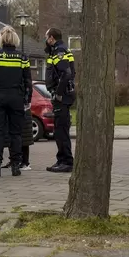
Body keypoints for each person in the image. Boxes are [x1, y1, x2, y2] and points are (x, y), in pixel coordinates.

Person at [0, 26, 32, 178]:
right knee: (16, 133)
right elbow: (28, 82)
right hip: (16, 97)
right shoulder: (22, 57)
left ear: (1, 39)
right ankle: (16, 166)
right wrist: (27, 99)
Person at [44, 28, 75, 173]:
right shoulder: (57, 50)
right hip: (62, 95)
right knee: (58, 130)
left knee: (61, 130)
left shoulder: (59, 51)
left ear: (51, 38)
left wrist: (58, 93)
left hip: (62, 97)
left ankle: (67, 161)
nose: (46, 40)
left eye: (46, 37)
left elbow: (66, 73)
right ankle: (61, 159)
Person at [2, 106, 33, 170]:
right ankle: (14, 161)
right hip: (14, 112)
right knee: (12, 138)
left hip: (23, 112)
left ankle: (25, 162)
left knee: (24, 139)